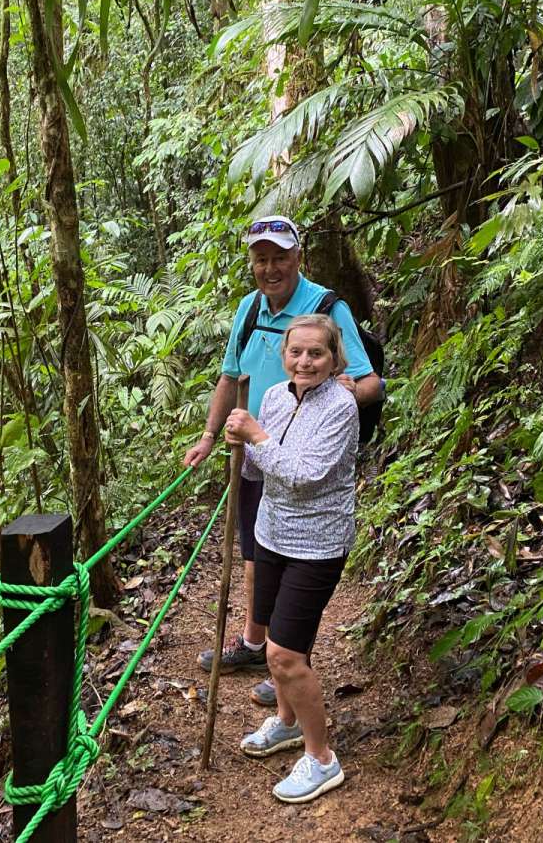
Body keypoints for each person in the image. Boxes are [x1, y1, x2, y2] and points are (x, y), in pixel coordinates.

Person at [183, 216, 380, 706]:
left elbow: (369, 381)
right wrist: (210, 436)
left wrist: (327, 413)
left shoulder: (326, 308)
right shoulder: (249, 309)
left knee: (300, 560)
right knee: (257, 551)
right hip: (254, 454)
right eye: (261, 258)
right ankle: (259, 646)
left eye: (279, 257)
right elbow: (231, 377)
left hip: (304, 463)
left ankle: (290, 662)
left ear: (298, 257)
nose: (270, 268)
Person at [224, 314, 357, 802]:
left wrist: (256, 436)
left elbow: (305, 473)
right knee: (280, 638)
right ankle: (286, 722)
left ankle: (322, 759)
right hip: (271, 534)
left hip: (317, 544)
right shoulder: (276, 396)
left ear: (333, 358)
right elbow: (264, 463)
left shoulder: (341, 407)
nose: (304, 361)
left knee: (283, 654)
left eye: (316, 353)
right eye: (296, 352)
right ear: (283, 356)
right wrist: (240, 441)